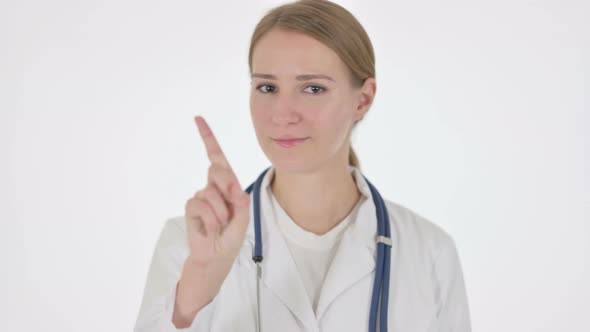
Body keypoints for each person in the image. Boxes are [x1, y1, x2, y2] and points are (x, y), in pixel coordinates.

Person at [133, 0, 471, 331]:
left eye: (312, 88)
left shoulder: (429, 253)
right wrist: (193, 295)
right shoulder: (190, 244)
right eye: (267, 87)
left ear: (363, 99)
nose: (282, 113)